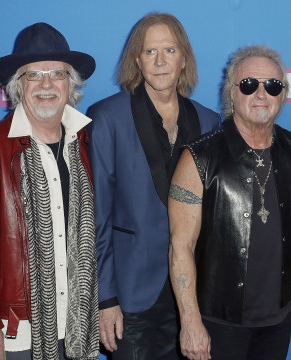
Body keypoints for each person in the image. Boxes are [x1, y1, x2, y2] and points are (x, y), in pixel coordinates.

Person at [168, 45, 291, 360]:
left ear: (282, 95)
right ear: (231, 92)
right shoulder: (198, 158)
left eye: (271, 85)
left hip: (277, 321)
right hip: (218, 322)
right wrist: (189, 321)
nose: (260, 94)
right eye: (248, 84)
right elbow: (180, 247)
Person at [0, 23, 98, 360]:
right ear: (18, 85)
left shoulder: (89, 143)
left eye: (57, 74)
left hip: (79, 326)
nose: (47, 84)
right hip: (15, 332)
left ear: (71, 84)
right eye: (34, 75)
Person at [87, 13, 221, 360]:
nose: (160, 61)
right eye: (150, 52)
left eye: (170, 50)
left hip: (193, 296)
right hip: (132, 296)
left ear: (184, 59)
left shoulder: (209, 121)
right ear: (136, 60)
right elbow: (95, 216)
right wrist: (106, 299)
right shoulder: (106, 118)